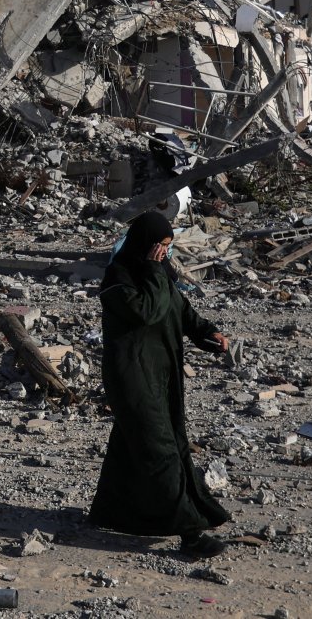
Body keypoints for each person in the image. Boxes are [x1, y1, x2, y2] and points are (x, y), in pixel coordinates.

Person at [88, 211, 232, 559]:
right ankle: (191, 534)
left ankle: (111, 512)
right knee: (162, 452)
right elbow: (147, 312)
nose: (163, 255)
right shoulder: (117, 278)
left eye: (168, 249)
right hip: (132, 379)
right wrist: (154, 271)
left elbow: (178, 309)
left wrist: (205, 332)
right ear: (145, 244)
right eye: (160, 248)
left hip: (160, 376)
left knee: (134, 448)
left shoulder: (158, 273)